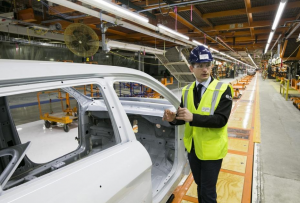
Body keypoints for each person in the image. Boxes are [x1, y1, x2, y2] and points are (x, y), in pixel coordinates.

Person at [162, 45, 233, 203]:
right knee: (200, 184)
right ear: (191, 68)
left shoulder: (224, 89)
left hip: (212, 151)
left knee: (208, 192)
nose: (205, 70)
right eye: (200, 66)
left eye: (207, 65)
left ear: (212, 65)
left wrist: (193, 117)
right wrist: (173, 118)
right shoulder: (187, 90)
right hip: (193, 149)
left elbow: (221, 120)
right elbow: (183, 118)